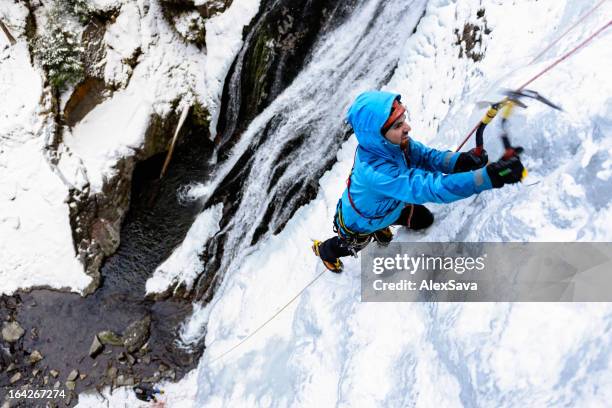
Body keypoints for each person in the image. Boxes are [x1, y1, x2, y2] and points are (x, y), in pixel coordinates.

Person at [312, 90, 525, 272]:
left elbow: (426, 157)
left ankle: (382, 227)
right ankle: (324, 252)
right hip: (359, 223)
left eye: (403, 120)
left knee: (425, 220)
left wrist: (460, 161)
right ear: (378, 134)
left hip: (390, 207)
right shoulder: (376, 173)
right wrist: (490, 176)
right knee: (347, 246)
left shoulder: (395, 144)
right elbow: (433, 188)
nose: (407, 128)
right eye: (397, 125)